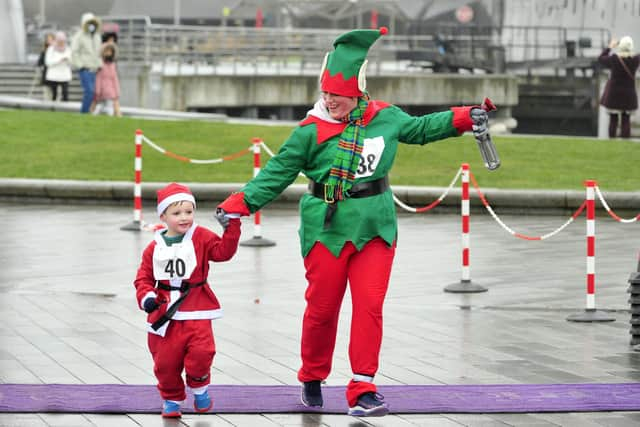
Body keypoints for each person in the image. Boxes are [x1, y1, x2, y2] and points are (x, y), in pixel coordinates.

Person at [217, 27, 490, 417]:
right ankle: (312, 376)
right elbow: (275, 174)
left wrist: (466, 116)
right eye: (326, 93)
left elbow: (423, 128)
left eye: (338, 95)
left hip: (375, 226)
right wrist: (237, 204)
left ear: (358, 91)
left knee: (369, 306)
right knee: (322, 309)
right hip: (326, 230)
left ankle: (363, 387)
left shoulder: (386, 118)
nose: (330, 101)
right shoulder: (309, 132)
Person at [133, 183, 241, 418]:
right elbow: (143, 279)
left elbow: (223, 252)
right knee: (165, 363)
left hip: (197, 309)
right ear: (162, 216)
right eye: (177, 213)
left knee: (202, 353)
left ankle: (200, 389)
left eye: (189, 212)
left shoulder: (201, 236)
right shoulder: (153, 248)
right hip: (164, 315)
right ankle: (171, 399)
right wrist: (147, 298)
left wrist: (231, 228)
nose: (184, 218)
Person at [598, 36, 639, 138]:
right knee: (626, 119)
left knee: (613, 119)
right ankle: (625, 142)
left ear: (620, 47)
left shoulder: (614, 59)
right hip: (629, 94)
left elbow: (600, 58)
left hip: (614, 93)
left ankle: (611, 142)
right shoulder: (636, 59)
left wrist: (610, 47)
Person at [71, 12, 102, 113]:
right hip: (85, 69)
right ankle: (84, 112)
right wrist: (80, 66)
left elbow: (99, 52)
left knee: (93, 93)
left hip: (94, 69)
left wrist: (99, 64)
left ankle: (86, 112)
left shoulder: (97, 36)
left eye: (92, 23)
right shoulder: (79, 36)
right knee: (89, 91)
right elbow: (74, 52)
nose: (91, 25)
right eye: (89, 23)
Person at [93, 42, 121, 116]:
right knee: (100, 105)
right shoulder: (100, 64)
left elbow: (115, 79)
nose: (108, 53)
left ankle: (110, 117)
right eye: (107, 51)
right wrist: (98, 91)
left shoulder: (113, 65)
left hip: (111, 92)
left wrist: (117, 91)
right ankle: (94, 115)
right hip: (102, 91)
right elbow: (98, 79)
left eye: (110, 51)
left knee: (110, 106)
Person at [44, 32, 72, 102]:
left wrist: (68, 60)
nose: (61, 43)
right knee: (54, 94)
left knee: (65, 93)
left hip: (64, 75)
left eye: (63, 41)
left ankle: (66, 109)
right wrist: (59, 60)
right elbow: (48, 62)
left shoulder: (68, 49)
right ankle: (53, 110)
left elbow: (72, 61)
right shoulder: (51, 49)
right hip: (54, 76)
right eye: (60, 41)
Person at [36, 33, 55, 100]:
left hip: (56, 76)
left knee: (55, 94)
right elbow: (39, 63)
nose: (49, 41)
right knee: (47, 94)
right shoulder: (44, 51)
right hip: (46, 75)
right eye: (48, 40)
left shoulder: (57, 51)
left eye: (51, 39)